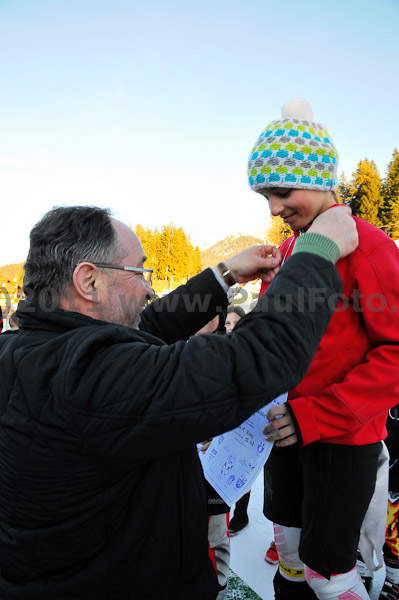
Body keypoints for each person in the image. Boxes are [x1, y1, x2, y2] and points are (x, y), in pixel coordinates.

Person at [0, 204, 357, 600]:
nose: (149, 288)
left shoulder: (28, 351)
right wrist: (318, 253)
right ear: (89, 281)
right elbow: (255, 361)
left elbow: (146, 330)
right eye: (139, 272)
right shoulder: (91, 379)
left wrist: (224, 277)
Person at [247, 98, 399, 599]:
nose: (273, 208)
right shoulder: (292, 249)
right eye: (265, 196)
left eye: (282, 192)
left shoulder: (371, 248)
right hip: (284, 431)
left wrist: (320, 415)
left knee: (327, 571)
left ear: (319, 179)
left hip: (341, 439)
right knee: (288, 551)